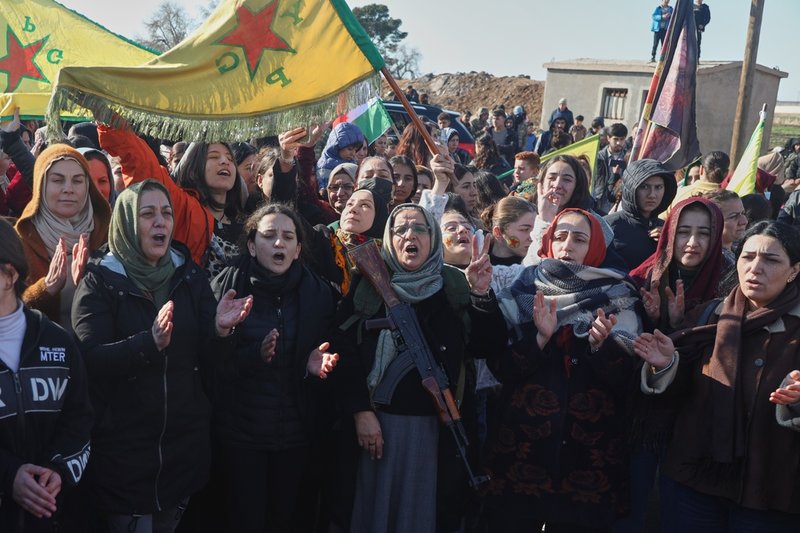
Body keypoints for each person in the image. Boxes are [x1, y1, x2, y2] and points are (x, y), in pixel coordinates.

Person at [71, 180, 253, 533]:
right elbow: (90, 359)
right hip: (123, 455)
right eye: (148, 214)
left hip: (182, 454)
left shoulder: (189, 275)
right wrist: (148, 344)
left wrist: (220, 330)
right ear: (126, 222)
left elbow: (210, 359)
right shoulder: (99, 281)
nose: (160, 222)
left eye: (166, 213)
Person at [329, 203, 507, 533]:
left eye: (420, 228)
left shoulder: (454, 285)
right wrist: (360, 412)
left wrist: (481, 294)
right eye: (400, 229)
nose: (410, 235)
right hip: (376, 431)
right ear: (389, 238)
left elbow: (488, 346)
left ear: (433, 237)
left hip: (434, 433)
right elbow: (343, 349)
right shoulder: (367, 284)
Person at [635, 220, 800, 531]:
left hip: (769, 489)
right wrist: (667, 365)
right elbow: (682, 393)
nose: (755, 268)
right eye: (747, 257)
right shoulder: (710, 315)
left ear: (794, 270)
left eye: (771, 260)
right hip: (695, 479)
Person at [485, 208, 643, 532]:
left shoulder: (620, 295)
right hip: (523, 449)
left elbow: (627, 382)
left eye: (580, 239)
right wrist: (540, 339)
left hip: (589, 457)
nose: (567, 245)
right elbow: (501, 369)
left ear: (596, 247)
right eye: (560, 236)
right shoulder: (523, 290)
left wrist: (600, 347)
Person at [210, 203, 339, 532]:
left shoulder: (319, 295)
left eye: (287, 237)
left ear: (298, 249)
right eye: (269, 236)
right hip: (241, 438)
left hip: (295, 438)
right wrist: (229, 338)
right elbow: (210, 367)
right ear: (252, 246)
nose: (279, 243)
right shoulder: (228, 288)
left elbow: (332, 362)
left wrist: (310, 367)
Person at [0, 219, 92, 533]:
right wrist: (9, 475)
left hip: (52, 516)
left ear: (10, 275)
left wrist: (58, 470)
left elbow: (79, 420)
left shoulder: (57, 342)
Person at [14, 145, 111, 331]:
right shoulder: (18, 241)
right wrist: (46, 289)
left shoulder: (108, 235)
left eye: (77, 181)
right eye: (57, 180)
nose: (68, 189)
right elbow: (7, 315)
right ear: (41, 186)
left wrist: (91, 282)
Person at [605, 159, 678, 270]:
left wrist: (670, 242)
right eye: (644, 187)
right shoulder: (607, 226)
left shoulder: (667, 229)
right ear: (631, 188)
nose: (652, 195)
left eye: (658, 187)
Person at [316, 122, 365, 190]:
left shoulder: (351, 162)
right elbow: (324, 190)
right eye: (350, 149)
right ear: (337, 146)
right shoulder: (326, 164)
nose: (353, 153)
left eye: (355, 150)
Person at [593, 123, 628, 214]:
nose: (618, 143)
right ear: (608, 138)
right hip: (600, 203)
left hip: (620, 205)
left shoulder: (629, 157)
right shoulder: (598, 157)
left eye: (622, 139)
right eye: (615, 139)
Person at [705, 189, 747, 263]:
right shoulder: (717, 261)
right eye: (734, 216)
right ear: (713, 222)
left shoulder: (740, 248)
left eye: (743, 213)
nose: (744, 221)